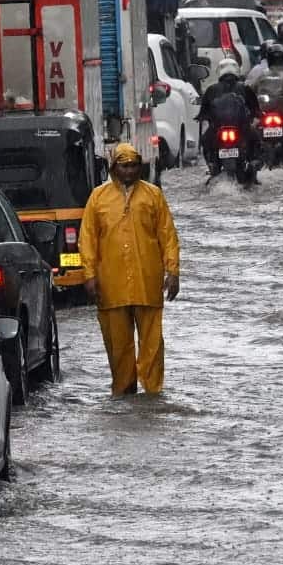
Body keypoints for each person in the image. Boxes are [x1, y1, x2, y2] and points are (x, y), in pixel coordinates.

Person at [79, 143, 180, 398]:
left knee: (152, 344)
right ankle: (123, 392)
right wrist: (89, 275)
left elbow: (167, 235)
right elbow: (88, 239)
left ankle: (152, 393)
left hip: (147, 281)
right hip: (111, 285)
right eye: (124, 166)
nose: (129, 171)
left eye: (134, 165)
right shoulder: (98, 198)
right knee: (118, 346)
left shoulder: (153, 195)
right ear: (114, 168)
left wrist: (173, 271)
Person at [196, 58, 260, 164]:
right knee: (255, 138)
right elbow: (254, 106)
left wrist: (201, 116)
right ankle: (253, 161)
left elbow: (204, 109)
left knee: (205, 140)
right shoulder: (244, 88)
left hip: (220, 128)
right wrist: (256, 114)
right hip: (239, 127)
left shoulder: (212, 89)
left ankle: (211, 163)